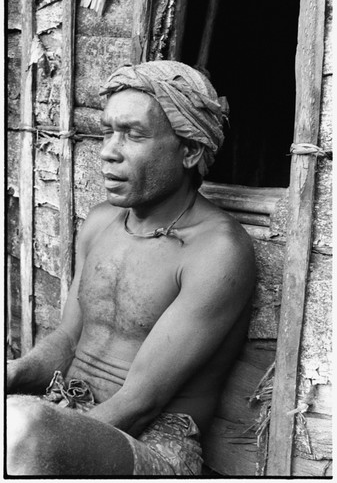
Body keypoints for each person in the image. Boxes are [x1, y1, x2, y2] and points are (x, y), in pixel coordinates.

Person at [7, 60, 255, 476]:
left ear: (190, 151)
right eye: (108, 131)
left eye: (133, 135)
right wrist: (14, 373)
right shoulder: (102, 220)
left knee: (22, 427)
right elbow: (68, 340)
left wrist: (41, 430)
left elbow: (142, 403)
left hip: (152, 445)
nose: (108, 150)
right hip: (63, 409)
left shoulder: (216, 250)